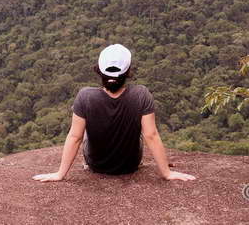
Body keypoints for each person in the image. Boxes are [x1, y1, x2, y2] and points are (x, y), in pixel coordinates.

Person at [32, 44, 196, 182]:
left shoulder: (85, 96)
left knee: (86, 132)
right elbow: (151, 135)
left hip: (97, 165)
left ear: (99, 71)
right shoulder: (141, 94)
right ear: (128, 72)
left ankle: (87, 164)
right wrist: (166, 173)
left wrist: (60, 174)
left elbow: (75, 137)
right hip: (130, 165)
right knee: (138, 130)